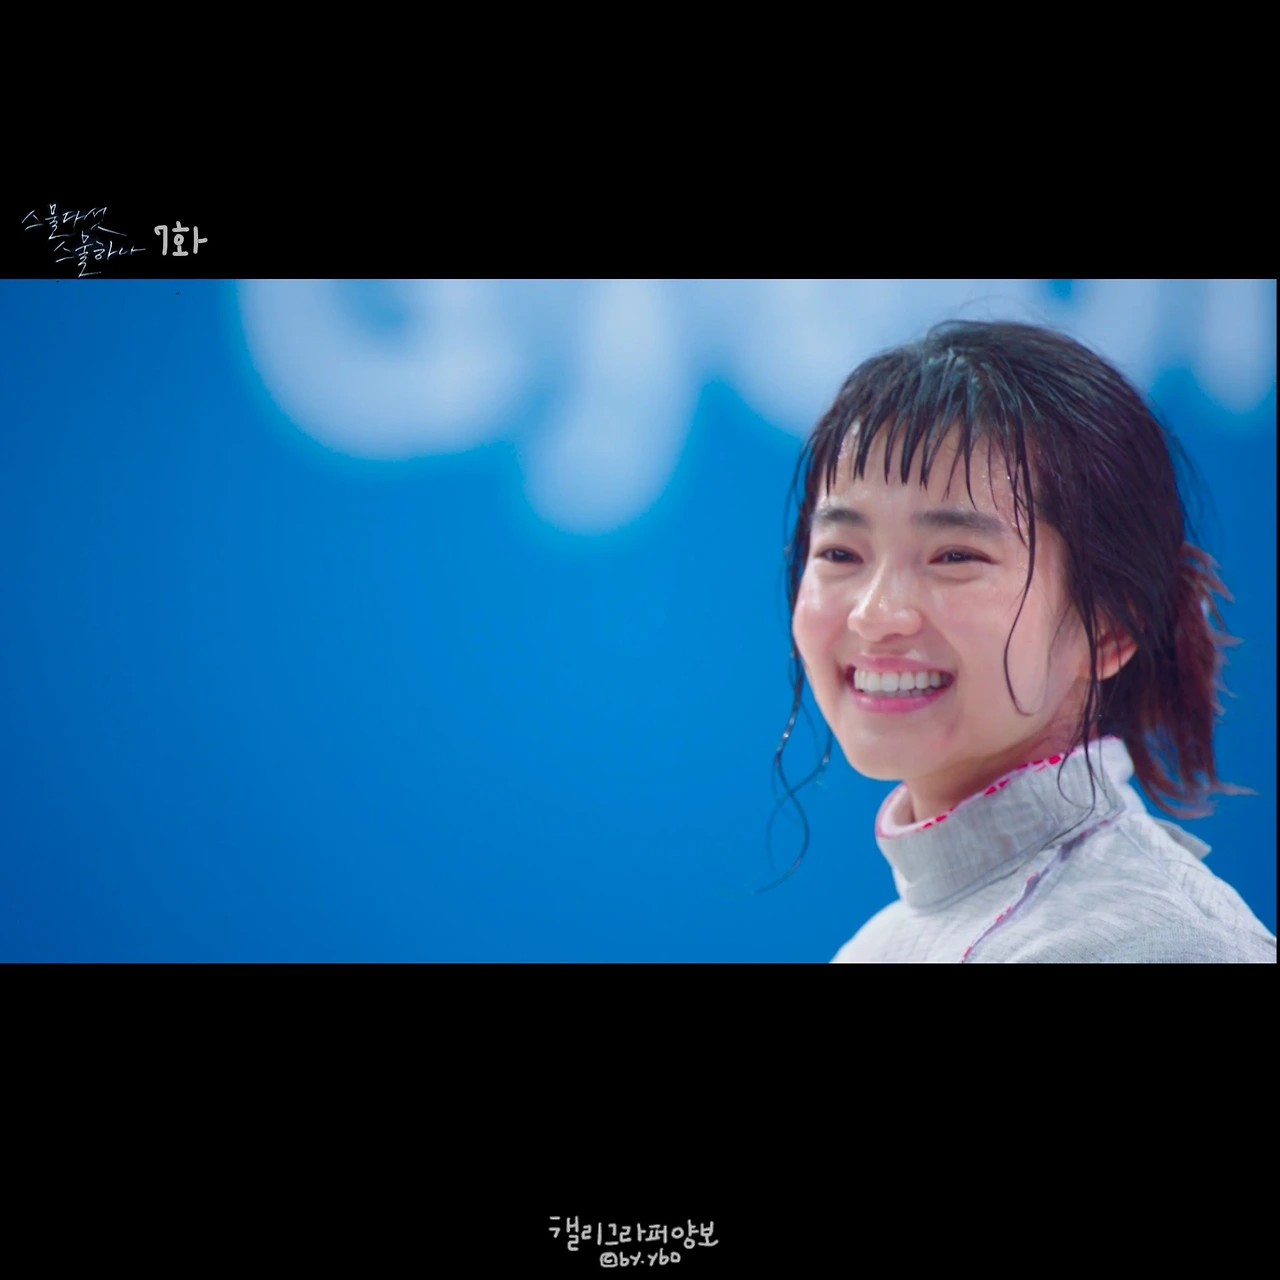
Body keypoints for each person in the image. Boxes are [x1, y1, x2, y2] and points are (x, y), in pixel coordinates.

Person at [773, 319, 1275, 963]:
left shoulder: (1159, 943)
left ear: (1110, 627)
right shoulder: (877, 946)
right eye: (840, 552)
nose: (875, 615)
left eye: (955, 556)